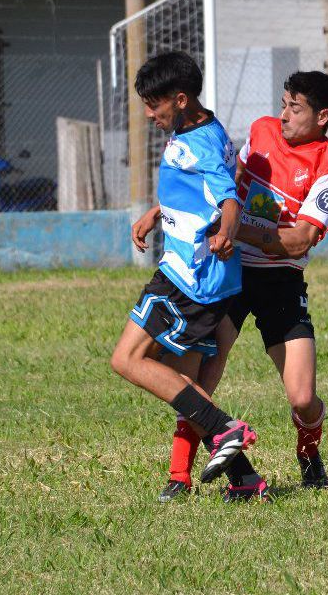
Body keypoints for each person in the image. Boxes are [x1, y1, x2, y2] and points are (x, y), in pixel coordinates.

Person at [136, 70, 328, 498]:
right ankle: (179, 475)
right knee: (198, 378)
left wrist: (235, 228)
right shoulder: (261, 132)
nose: (283, 114)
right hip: (230, 271)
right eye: (283, 103)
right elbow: (220, 183)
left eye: (295, 108)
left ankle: (308, 454)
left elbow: (299, 240)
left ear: (322, 116)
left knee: (303, 397)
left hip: (280, 281)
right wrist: (163, 208)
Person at [110, 51, 264, 497]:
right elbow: (197, 187)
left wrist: (228, 232)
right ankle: (245, 478)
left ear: (179, 99)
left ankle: (224, 428)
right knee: (187, 382)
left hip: (188, 276)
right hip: (191, 271)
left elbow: (228, 197)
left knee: (128, 359)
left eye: (153, 105)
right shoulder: (194, 128)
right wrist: (158, 212)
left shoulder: (200, 143)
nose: (147, 114)